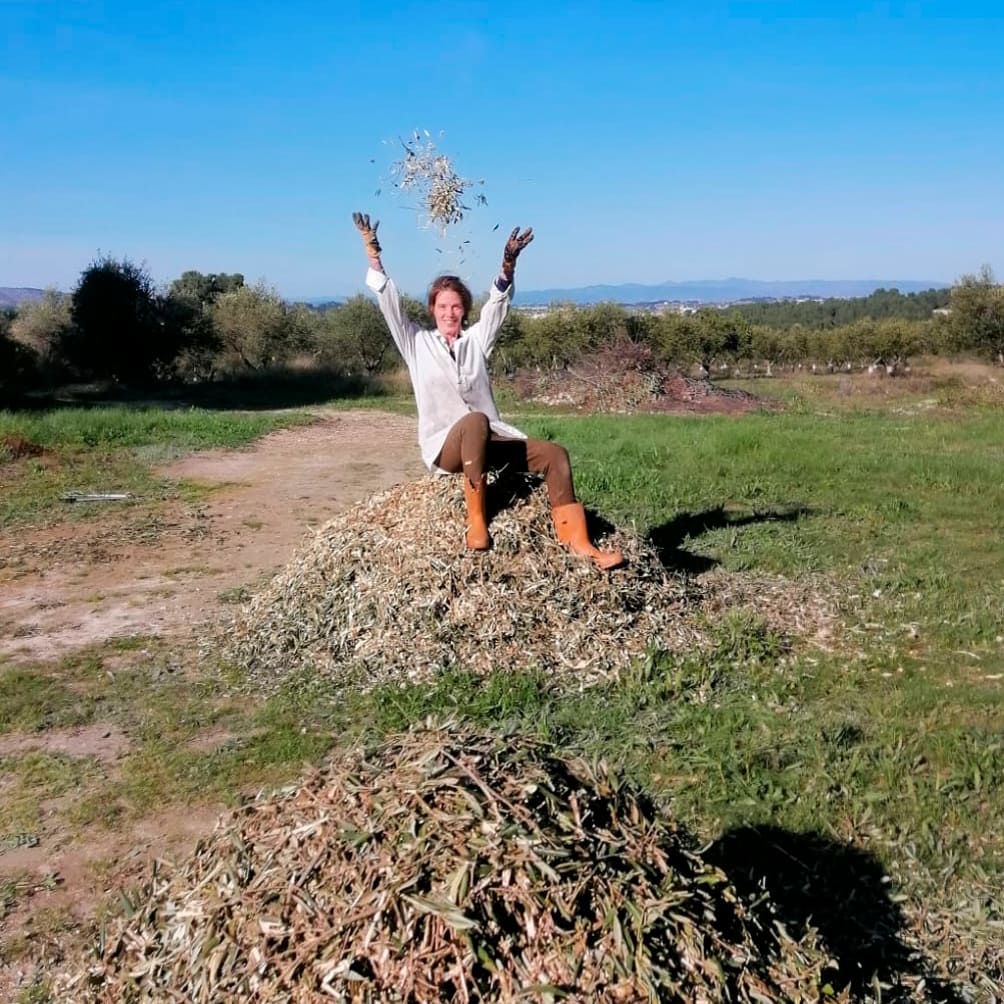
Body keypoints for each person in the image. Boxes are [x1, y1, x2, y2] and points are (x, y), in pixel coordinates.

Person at [352, 211, 623, 571]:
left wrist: (507, 265)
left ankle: (580, 544)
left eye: (457, 306)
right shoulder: (416, 342)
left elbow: (497, 307)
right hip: (448, 450)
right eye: (443, 306)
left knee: (555, 455)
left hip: (489, 442)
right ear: (432, 309)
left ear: (464, 311)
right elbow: (389, 304)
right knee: (474, 420)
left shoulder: (475, 342)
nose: (450, 313)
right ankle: (477, 522)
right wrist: (373, 253)